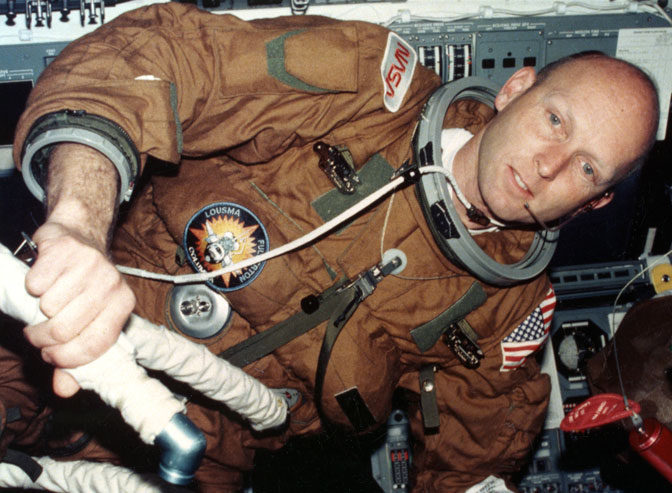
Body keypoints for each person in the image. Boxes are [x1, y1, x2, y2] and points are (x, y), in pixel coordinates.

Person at [9, 2, 659, 491]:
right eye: (554, 120)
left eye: (586, 169)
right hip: (66, 313)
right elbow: (155, 59)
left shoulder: (509, 316)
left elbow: (474, 461)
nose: (549, 165)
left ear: (594, 202)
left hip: (191, 455)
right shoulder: (366, 87)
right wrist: (77, 226)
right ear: (515, 89)